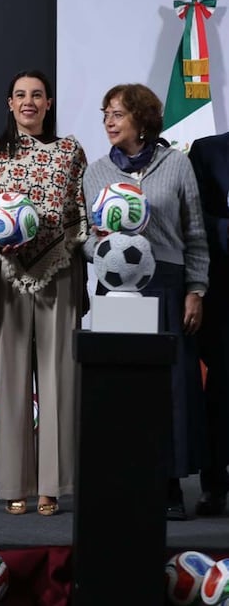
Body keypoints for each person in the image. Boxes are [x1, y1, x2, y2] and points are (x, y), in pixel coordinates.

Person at [0, 70, 88, 517]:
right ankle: (15, 483)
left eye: (37, 95)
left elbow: (78, 214)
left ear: (49, 103)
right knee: (10, 378)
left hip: (59, 270)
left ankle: (53, 485)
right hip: (7, 271)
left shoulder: (69, 152)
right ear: (9, 103)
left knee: (59, 377)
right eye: (20, 95)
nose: (29, 102)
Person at [84, 83, 208, 521]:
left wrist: (196, 289)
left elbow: (194, 234)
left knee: (171, 387)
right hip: (116, 289)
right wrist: (101, 244)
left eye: (117, 113)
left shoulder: (176, 164)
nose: (109, 122)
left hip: (168, 284)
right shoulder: (97, 171)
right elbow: (84, 238)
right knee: (119, 386)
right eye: (105, 114)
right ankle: (122, 480)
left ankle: (170, 484)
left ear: (142, 118)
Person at [188, 131, 229, 516]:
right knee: (221, 388)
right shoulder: (208, 150)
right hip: (224, 291)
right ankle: (215, 484)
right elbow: (196, 219)